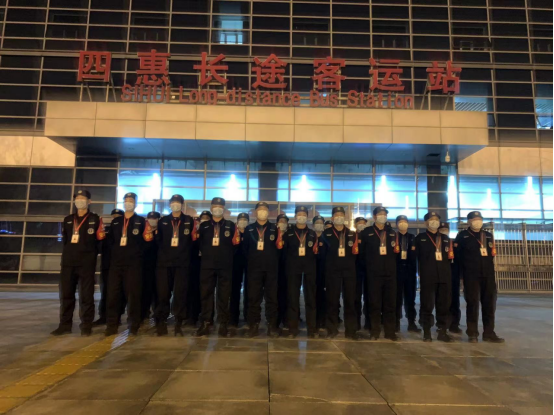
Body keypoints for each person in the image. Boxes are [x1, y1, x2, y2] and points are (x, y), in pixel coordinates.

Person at [51, 190, 105, 336]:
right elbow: (66, 240)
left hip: (86, 264)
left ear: (89, 201)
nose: (80, 200)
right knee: (66, 295)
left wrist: (92, 255)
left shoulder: (95, 219)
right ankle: (65, 325)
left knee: (86, 296)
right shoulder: (68, 219)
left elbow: (100, 242)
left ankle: (86, 325)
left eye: (83, 198)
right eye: (77, 198)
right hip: (68, 263)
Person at [105, 193, 153, 336]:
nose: (128, 203)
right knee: (113, 295)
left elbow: (147, 242)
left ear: (136, 203)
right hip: (116, 265)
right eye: (126, 200)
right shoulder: (116, 222)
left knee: (133, 296)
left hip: (133, 265)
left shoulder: (141, 221)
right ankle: (112, 324)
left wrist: (137, 255)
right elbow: (109, 242)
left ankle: (134, 325)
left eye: (131, 201)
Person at [455, 211, 504, 343]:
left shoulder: (488, 235)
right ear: (469, 221)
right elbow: (458, 257)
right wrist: (461, 276)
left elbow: (491, 254)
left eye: (479, 219)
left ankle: (489, 333)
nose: (477, 221)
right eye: (474, 219)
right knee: (472, 304)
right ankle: (472, 333)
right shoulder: (462, 236)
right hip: (471, 276)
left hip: (488, 275)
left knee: (489, 304)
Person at [196, 198, 240, 337]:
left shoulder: (230, 225)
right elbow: (199, 244)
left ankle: (223, 323)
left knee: (224, 295)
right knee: (206, 294)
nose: (217, 208)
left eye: (220, 206)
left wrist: (226, 257)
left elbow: (235, 245)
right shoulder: (204, 226)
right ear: (211, 208)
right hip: (207, 265)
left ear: (224, 208)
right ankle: (206, 322)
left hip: (224, 266)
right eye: (215, 206)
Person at [155, 194, 197, 336]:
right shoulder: (163, 221)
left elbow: (193, 242)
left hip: (182, 264)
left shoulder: (189, 221)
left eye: (178, 202)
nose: (175, 204)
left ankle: (178, 323)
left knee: (180, 294)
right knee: (163, 294)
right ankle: (161, 322)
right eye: (173, 202)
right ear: (169, 204)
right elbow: (158, 241)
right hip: (164, 264)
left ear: (182, 204)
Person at [243, 202, 283, 338]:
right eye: (260, 209)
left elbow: (279, 249)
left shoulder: (274, 229)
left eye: (265, 209)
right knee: (254, 298)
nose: (262, 212)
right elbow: (245, 249)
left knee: (272, 298)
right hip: (254, 270)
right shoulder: (249, 229)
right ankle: (253, 325)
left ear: (268, 212)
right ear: (255, 212)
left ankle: (272, 326)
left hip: (271, 270)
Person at [412, 212, 453, 342]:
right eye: (431, 219)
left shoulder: (446, 239)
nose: (434, 222)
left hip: (444, 277)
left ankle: (442, 330)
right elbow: (414, 258)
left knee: (444, 305)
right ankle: (427, 331)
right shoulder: (420, 238)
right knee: (427, 304)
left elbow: (451, 258)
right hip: (428, 277)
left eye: (436, 219)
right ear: (426, 222)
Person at [359, 206, 398, 341]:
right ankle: (374, 331)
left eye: (385, 214)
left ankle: (390, 332)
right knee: (374, 303)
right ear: (374, 216)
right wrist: (369, 268)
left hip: (390, 274)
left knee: (390, 304)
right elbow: (361, 254)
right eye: (380, 214)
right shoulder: (366, 232)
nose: (383, 216)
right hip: (373, 274)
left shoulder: (392, 233)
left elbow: (396, 253)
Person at [321, 207, 359, 340]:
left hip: (349, 272)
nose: (339, 217)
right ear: (332, 218)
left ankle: (351, 331)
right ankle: (331, 329)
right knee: (332, 301)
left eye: (341, 215)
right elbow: (322, 255)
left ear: (345, 217)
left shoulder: (352, 234)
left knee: (350, 302)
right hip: (332, 272)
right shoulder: (326, 234)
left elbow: (356, 254)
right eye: (336, 215)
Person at [282, 206, 319, 338]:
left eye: (304, 214)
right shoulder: (288, 234)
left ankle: (312, 329)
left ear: (307, 217)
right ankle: (293, 329)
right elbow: (284, 253)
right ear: (295, 216)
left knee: (311, 299)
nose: (301, 216)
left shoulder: (312, 234)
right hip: (293, 270)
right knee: (293, 299)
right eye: (299, 214)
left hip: (309, 270)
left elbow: (316, 253)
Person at [94, 208, 123, 327]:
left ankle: (117, 316)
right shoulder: (106, 230)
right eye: (113, 216)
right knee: (105, 292)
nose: (115, 219)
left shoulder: (124, 231)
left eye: (118, 217)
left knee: (117, 293)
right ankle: (103, 316)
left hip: (118, 266)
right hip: (106, 266)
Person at [395, 215, 420, 333]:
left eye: (405, 221)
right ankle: (396, 322)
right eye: (400, 222)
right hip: (397, 271)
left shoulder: (413, 238)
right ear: (396, 224)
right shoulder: (393, 237)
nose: (403, 223)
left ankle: (411, 322)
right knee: (396, 298)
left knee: (410, 298)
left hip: (410, 272)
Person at [187, 211, 211, 327]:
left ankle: (208, 317)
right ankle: (193, 316)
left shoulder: (212, 232)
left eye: (207, 218)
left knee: (207, 292)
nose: (204, 220)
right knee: (194, 291)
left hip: (207, 264)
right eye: (203, 218)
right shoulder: (195, 232)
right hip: (195, 264)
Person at [439, 222, 462, 334]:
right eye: (442, 229)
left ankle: (454, 324)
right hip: (442, 275)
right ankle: (442, 324)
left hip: (454, 275)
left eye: (446, 229)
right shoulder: (437, 244)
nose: (444, 231)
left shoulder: (454, 243)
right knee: (443, 301)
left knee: (455, 300)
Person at [230, 212, 249, 332]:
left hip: (249, 265)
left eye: (245, 219)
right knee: (234, 291)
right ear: (237, 221)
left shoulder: (251, 232)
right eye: (241, 219)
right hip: (235, 265)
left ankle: (248, 316)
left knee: (249, 291)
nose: (243, 221)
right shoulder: (233, 232)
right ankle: (233, 318)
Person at [141, 211, 160, 322]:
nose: (152, 220)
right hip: (146, 266)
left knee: (158, 291)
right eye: (150, 218)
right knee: (145, 290)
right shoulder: (144, 231)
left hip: (158, 265)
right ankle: (145, 312)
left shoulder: (161, 231)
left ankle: (157, 313)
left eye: (154, 218)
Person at [354, 216, 369, 332]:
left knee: (369, 297)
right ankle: (356, 322)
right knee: (356, 297)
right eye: (359, 223)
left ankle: (368, 322)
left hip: (368, 270)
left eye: (363, 223)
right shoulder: (351, 236)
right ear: (355, 225)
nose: (361, 225)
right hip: (355, 270)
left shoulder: (369, 236)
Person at [313, 215, 326, 332]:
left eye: (321, 222)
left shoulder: (326, 237)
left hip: (324, 271)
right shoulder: (310, 236)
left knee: (323, 296)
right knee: (313, 296)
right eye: (317, 222)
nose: (319, 224)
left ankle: (322, 319)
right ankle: (314, 320)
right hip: (312, 271)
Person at [276, 213, 289, 329]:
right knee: (275, 295)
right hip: (275, 269)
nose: (283, 223)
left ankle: (286, 318)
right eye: (281, 221)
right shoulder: (273, 234)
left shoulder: (290, 235)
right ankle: (276, 318)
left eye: (285, 221)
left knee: (287, 294)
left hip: (288, 269)